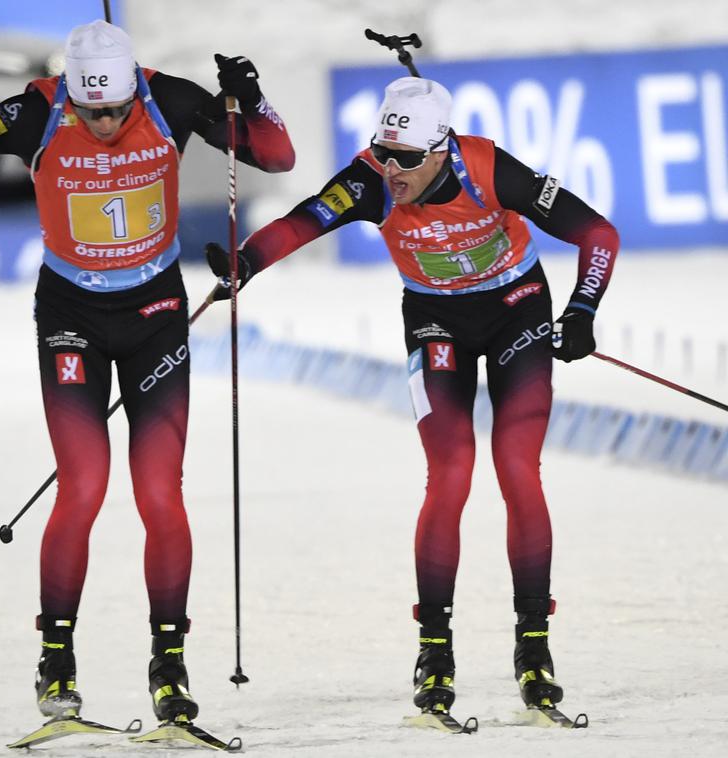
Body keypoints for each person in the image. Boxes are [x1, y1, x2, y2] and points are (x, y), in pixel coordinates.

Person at [0, 20, 294, 724]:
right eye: (94, 111)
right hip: (70, 317)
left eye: (116, 108)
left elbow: (276, 155)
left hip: (154, 317)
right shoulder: (35, 111)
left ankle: (169, 666)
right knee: (82, 487)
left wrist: (253, 101)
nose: (108, 122)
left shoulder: (169, 100)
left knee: (159, 495)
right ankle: (56, 664)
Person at [205, 76, 618, 718]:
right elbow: (306, 219)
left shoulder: (487, 167)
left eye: (405, 158)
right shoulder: (370, 179)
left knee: (516, 467)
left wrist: (583, 310)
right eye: (382, 151)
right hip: (435, 320)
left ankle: (533, 644)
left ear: (439, 150)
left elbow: (599, 234)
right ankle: (435, 649)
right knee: (450, 474)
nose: (389, 168)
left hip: (516, 309)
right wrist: (246, 262)